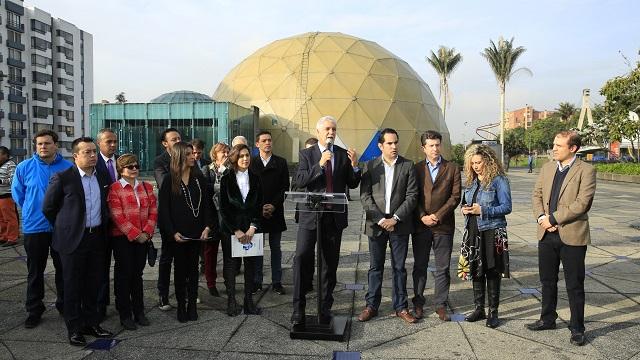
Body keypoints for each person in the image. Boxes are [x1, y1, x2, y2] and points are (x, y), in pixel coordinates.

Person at [42, 137, 114, 346]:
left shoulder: (101, 176)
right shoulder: (63, 178)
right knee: (72, 286)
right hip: (72, 240)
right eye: (87, 152)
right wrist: (67, 227)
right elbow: (49, 208)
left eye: (93, 151)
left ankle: (92, 323)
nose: (93, 156)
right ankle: (74, 328)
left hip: (97, 238)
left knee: (94, 284)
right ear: (75, 156)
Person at [527, 131, 596, 347]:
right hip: (546, 233)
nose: (554, 149)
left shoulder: (586, 170)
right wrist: (541, 218)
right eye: (553, 145)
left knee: (574, 284)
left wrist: (554, 218)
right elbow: (537, 195)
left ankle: (577, 328)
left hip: (572, 234)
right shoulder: (547, 168)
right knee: (547, 280)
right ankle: (548, 318)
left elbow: (582, 203)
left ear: (573, 148)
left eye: (559, 146)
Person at [291, 115, 361, 326]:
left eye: (334, 129)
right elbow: (299, 182)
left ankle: (324, 309)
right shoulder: (307, 154)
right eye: (328, 129)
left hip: (333, 218)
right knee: (302, 259)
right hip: (310, 217)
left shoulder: (341, 155)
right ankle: (298, 310)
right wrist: (319, 166)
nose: (331, 132)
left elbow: (353, 183)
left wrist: (355, 166)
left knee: (329, 265)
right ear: (319, 132)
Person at [12, 130, 73, 328]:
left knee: (63, 269)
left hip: (60, 227)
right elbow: (18, 195)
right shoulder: (24, 167)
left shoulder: (68, 167)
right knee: (35, 271)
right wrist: (33, 210)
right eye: (39, 144)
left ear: (56, 145)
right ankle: (34, 309)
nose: (43, 147)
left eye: (47, 143)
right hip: (34, 227)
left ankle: (65, 305)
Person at [357, 128, 418, 324]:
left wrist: (395, 219)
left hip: (399, 225)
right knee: (375, 267)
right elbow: (365, 196)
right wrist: (381, 220)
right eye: (390, 143)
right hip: (376, 225)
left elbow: (412, 196)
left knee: (399, 268)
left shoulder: (408, 165)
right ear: (380, 146)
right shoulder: (370, 166)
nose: (394, 146)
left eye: (396, 142)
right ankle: (371, 306)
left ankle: (401, 307)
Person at [158, 142, 214, 322]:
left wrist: (207, 226)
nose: (193, 156)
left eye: (193, 153)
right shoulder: (169, 180)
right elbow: (164, 210)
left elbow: (207, 205)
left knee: (194, 270)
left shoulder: (199, 179)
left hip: (197, 233)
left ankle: (192, 305)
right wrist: (172, 232)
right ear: (180, 156)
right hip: (178, 235)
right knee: (180, 271)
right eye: (189, 154)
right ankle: (181, 305)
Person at [459, 144, 512, 329]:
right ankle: (479, 308)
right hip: (473, 230)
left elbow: (507, 207)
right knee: (476, 269)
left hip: (492, 230)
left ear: (488, 161)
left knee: (492, 270)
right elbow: (464, 202)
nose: (475, 166)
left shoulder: (499, 180)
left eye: (478, 162)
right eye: (472, 163)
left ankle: (493, 312)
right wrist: (464, 209)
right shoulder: (471, 182)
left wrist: (484, 210)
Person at [411, 130, 461, 321]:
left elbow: (455, 197)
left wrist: (437, 216)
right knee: (420, 266)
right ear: (423, 148)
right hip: (421, 225)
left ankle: (441, 304)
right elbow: (413, 196)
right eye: (431, 145)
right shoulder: (415, 169)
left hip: (443, 225)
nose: (435, 149)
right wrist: (423, 216)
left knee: (443, 267)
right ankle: (418, 302)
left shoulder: (452, 168)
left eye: (437, 144)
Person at [107, 154, 157, 330]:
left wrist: (148, 232)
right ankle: (125, 314)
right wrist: (136, 234)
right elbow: (116, 216)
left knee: (137, 275)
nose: (134, 169)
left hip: (144, 238)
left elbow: (153, 211)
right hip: (123, 239)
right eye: (130, 167)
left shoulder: (146, 187)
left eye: (136, 166)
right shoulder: (115, 189)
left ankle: (139, 311)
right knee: (123, 277)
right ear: (121, 170)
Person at [219, 143, 263, 316]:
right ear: (234, 158)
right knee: (230, 266)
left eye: (247, 155)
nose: (245, 159)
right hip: (231, 230)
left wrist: (253, 227)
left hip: (251, 229)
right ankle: (231, 301)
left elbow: (259, 205)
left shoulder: (256, 178)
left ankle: (248, 302)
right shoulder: (226, 178)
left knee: (250, 266)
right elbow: (223, 208)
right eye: (241, 156)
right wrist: (236, 230)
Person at [250, 131, 290, 295]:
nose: (268, 143)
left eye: (270, 140)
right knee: (257, 248)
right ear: (257, 144)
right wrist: (260, 207)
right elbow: (248, 188)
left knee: (276, 248)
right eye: (264, 140)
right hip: (256, 212)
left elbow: (284, 187)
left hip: (275, 212)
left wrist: (273, 205)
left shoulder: (281, 162)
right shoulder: (251, 163)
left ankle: (277, 281)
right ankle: (257, 281)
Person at [154, 128, 182, 311]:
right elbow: (165, 183)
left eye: (179, 138)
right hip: (169, 217)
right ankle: (163, 295)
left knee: (186, 259)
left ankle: (185, 292)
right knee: (167, 258)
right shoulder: (160, 161)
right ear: (165, 143)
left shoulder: (188, 158)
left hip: (187, 217)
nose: (178, 141)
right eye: (174, 139)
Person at [94, 128, 119, 318]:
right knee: (101, 268)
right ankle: (100, 306)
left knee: (123, 266)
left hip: (121, 224)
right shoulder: (93, 164)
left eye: (115, 141)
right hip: (101, 223)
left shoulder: (122, 162)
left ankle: (122, 303)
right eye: (108, 141)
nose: (112, 145)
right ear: (99, 143)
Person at [201, 142, 230, 297]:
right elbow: (205, 188)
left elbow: (232, 189)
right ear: (215, 154)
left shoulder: (232, 169)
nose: (225, 154)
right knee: (210, 253)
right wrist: (221, 173)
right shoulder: (207, 169)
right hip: (212, 217)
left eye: (227, 151)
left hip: (226, 218)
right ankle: (211, 283)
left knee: (228, 253)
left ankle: (228, 281)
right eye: (222, 152)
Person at [0, 146, 18, 247]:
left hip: (7, 196)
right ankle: (3, 237)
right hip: (0, 196)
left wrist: (1, 181)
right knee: (1, 218)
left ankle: (12, 237)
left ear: (5, 155)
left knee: (9, 218)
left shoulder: (10, 164)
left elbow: (13, 180)